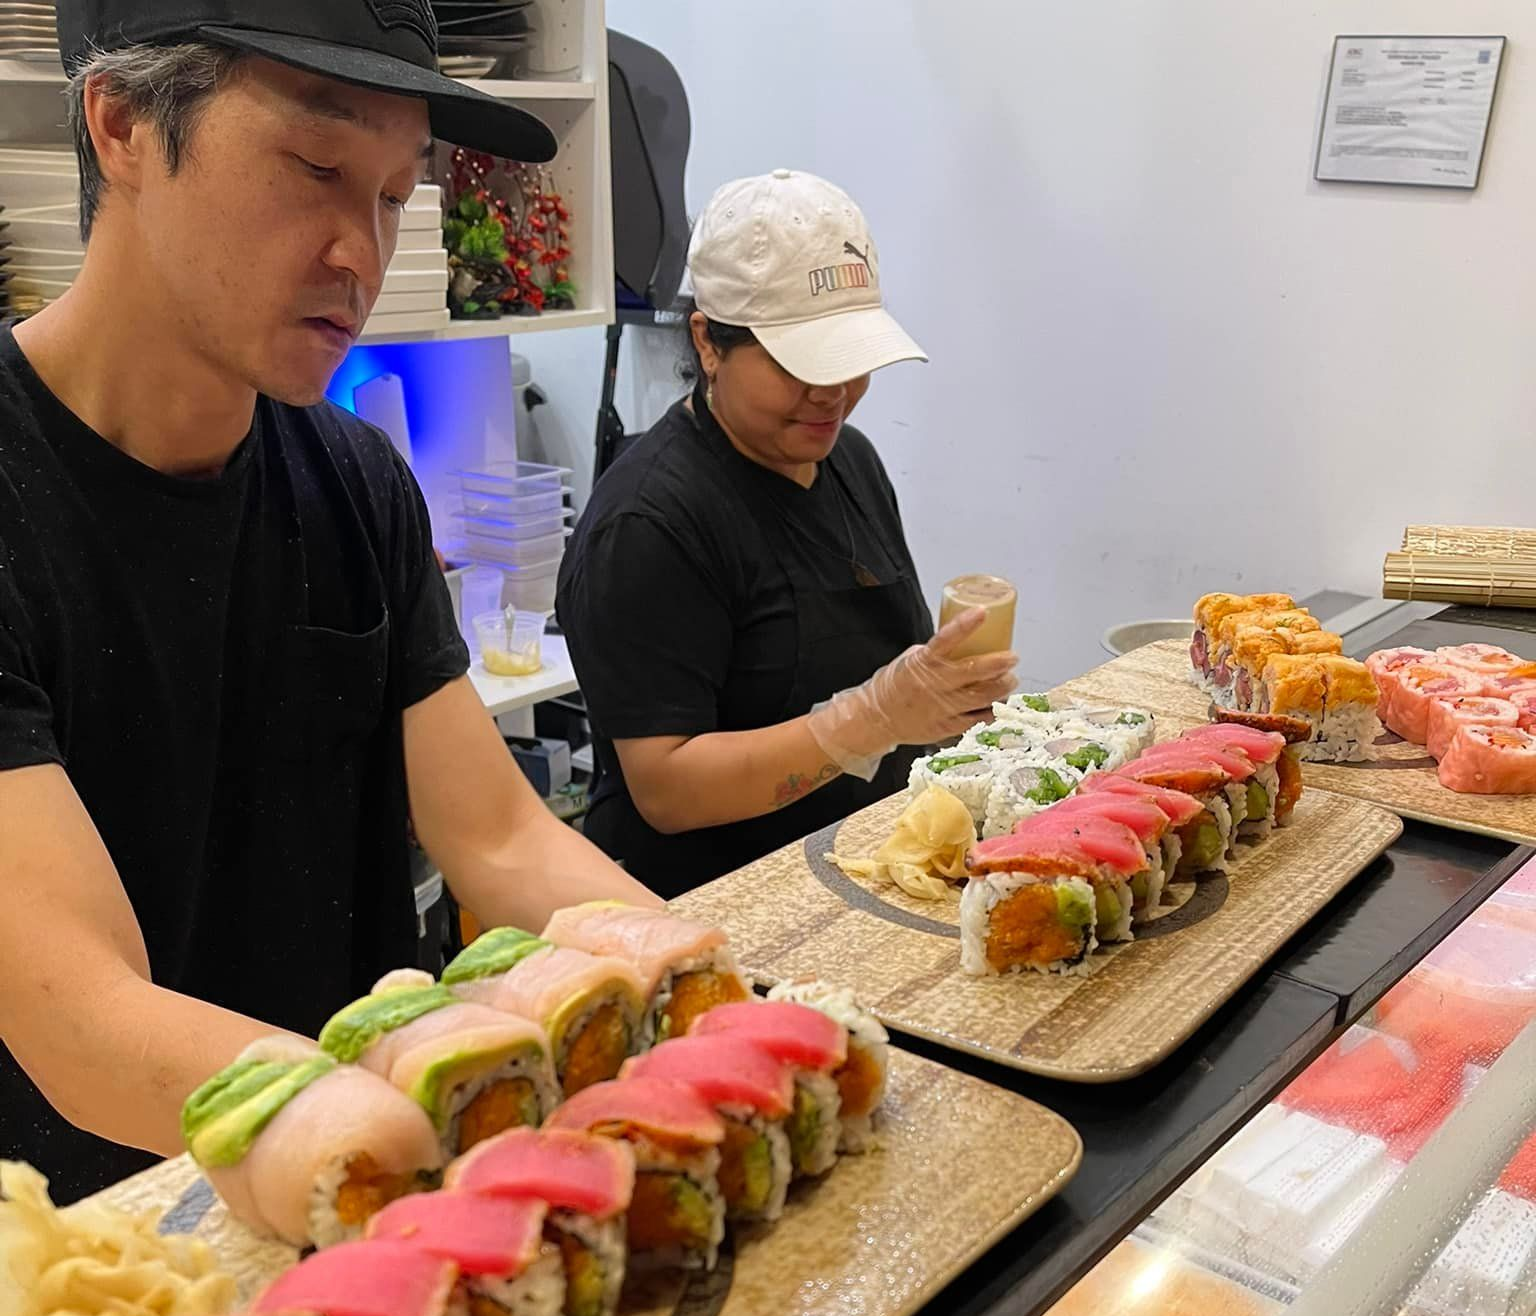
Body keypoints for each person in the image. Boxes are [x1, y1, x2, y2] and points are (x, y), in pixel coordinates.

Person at [0, 0, 660, 1203]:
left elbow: (500, 838)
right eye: (316, 166)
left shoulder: (355, 478)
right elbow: (82, 1014)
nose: (364, 250)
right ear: (122, 125)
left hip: (348, 1205)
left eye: (397, 193)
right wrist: (416, 1131)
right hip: (103, 1238)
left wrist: (708, 982)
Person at [558, 171, 1017, 898]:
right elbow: (667, 791)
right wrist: (865, 721)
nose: (832, 393)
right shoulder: (650, 524)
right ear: (708, 343)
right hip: (723, 907)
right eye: (800, 364)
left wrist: (940, 708)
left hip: (865, 872)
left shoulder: (846, 458)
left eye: (849, 359)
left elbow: (887, 666)